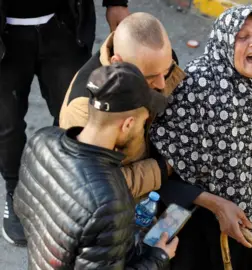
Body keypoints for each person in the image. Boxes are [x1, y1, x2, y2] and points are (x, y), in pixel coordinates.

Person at [149, 5, 252, 270]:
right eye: (242, 37)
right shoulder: (192, 89)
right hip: (208, 238)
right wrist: (215, 204)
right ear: (225, 42)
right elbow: (160, 174)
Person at [13, 63, 179, 269]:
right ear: (127, 124)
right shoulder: (108, 200)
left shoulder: (42, 140)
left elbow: (22, 209)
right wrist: (158, 258)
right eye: (143, 121)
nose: (142, 127)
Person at [0, 0, 129, 246]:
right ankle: (15, 190)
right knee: (6, 127)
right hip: (5, 33)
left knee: (73, 114)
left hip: (64, 19)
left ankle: (64, 185)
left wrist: (116, 2)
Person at [59, 12, 185, 200]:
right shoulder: (83, 109)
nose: (161, 84)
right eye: (150, 77)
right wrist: (164, 168)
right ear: (117, 62)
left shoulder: (156, 62)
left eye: (166, 71)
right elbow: (96, 186)